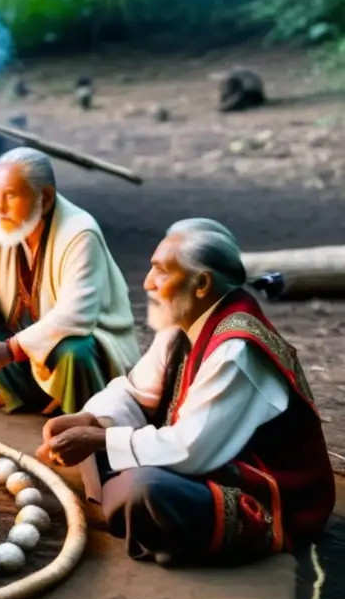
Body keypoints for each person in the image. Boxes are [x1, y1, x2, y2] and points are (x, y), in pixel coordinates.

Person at [37, 219, 335, 565]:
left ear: (202, 283)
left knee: (144, 489)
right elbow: (137, 392)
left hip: (260, 488)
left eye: (161, 271)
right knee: (106, 452)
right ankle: (135, 512)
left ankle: (140, 515)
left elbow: (192, 450)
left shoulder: (237, 350)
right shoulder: (184, 320)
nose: (147, 283)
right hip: (201, 457)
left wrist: (100, 439)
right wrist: (89, 419)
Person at [0, 147, 140, 416]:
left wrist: (8, 350)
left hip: (68, 354)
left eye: (11, 196)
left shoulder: (80, 232)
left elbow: (75, 316)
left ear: (46, 198)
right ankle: (25, 395)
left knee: (75, 350)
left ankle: (72, 407)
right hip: (21, 349)